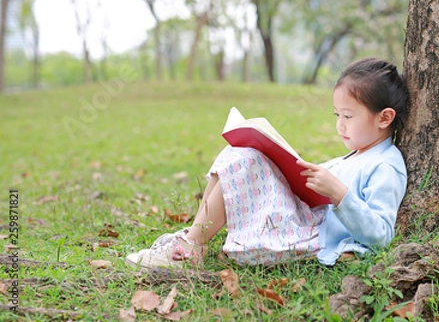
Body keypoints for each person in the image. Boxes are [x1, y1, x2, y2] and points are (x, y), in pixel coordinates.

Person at [126, 58, 409, 268]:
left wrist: (339, 193)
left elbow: (381, 234)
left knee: (245, 161)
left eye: (348, 116)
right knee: (237, 153)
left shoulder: (386, 165)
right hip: (303, 217)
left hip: (312, 234)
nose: (339, 126)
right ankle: (192, 240)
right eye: (336, 115)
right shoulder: (356, 154)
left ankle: (189, 249)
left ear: (384, 118)